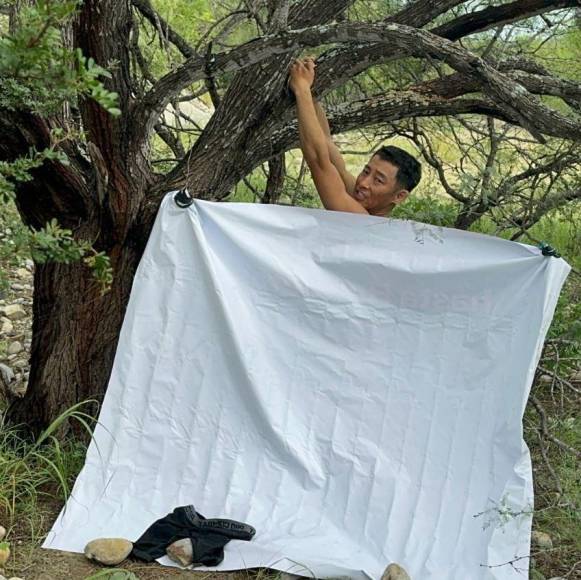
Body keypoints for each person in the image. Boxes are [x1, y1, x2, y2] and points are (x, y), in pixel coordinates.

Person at [289, 57, 422, 216]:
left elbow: (318, 160)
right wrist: (309, 87)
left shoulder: (360, 218)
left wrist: (301, 88)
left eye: (378, 180)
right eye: (366, 171)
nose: (363, 183)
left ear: (399, 196)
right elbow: (326, 140)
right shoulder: (363, 196)